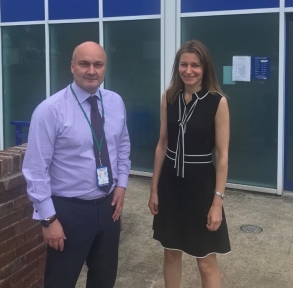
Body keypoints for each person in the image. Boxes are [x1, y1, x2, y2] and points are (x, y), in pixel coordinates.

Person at [22, 41, 131, 288]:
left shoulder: (115, 102)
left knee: (104, 280)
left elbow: (122, 146)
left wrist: (121, 184)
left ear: (105, 68)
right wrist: (48, 220)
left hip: (108, 208)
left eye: (98, 64)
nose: (91, 70)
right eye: (84, 64)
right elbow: (36, 169)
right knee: (60, 281)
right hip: (69, 212)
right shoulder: (50, 110)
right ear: (72, 67)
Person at [148, 40, 231, 288]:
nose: (189, 70)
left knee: (205, 260)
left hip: (201, 188)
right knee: (171, 252)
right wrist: (154, 190)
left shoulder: (217, 102)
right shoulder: (169, 97)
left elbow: (223, 155)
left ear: (205, 68)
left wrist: (217, 201)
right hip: (171, 187)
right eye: (184, 64)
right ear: (178, 67)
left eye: (195, 65)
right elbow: (162, 144)